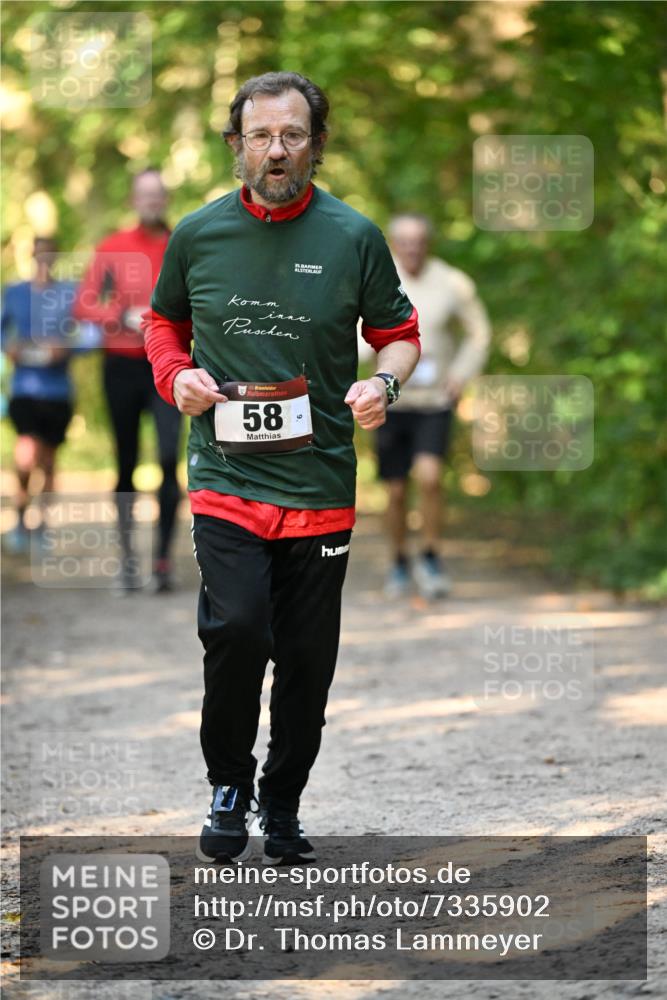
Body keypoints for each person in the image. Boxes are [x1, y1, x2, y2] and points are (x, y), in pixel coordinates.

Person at [143, 71, 420, 864]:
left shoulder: (352, 236)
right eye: (260, 136)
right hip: (227, 479)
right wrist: (177, 377)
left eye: (291, 135)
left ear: (316, 146)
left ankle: (282, 798)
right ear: (236, 146)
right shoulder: (197, 235)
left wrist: (382, 382)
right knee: (234, 627)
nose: (276, 150)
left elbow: (399, 332)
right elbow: (163, 322)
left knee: (305, 659)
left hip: (321, 484)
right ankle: (227, 781)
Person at [73, 169, 181, 592]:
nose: (152, 202)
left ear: (165, 199)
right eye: (145, 195)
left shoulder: (181, 244)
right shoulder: (112, 248)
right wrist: (116, 316)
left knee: (170, 460)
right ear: (134, 200)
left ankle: (162, 562)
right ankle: (127, 563)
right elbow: (83, 305)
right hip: (121, 365)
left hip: (169, 367)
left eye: (158, 195)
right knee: (126, 463)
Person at [378, 213, 491, 600]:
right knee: (394, 491)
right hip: (389, 399)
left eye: (418, 241)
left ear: (428, 243)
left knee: (429, 477)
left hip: (434, 400)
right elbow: (356, 327)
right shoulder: (379, 276)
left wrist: (460, 374)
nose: (412, 248)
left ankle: (429, 554)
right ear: (394, 244)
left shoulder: (452, 282)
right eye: (404, 241)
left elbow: (479, 333)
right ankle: (397, 560)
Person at [1, 237, 82, 553]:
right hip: (24, 387)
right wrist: (9, 349)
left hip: (57, 390)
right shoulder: (15, 292)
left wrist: (66, 349)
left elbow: (89, 332)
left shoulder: (69, 293)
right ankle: (20, 519)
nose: (44, 260)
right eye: (39, 254)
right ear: (31, 255)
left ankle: (43, 527)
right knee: (25, 454)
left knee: (48, 462)